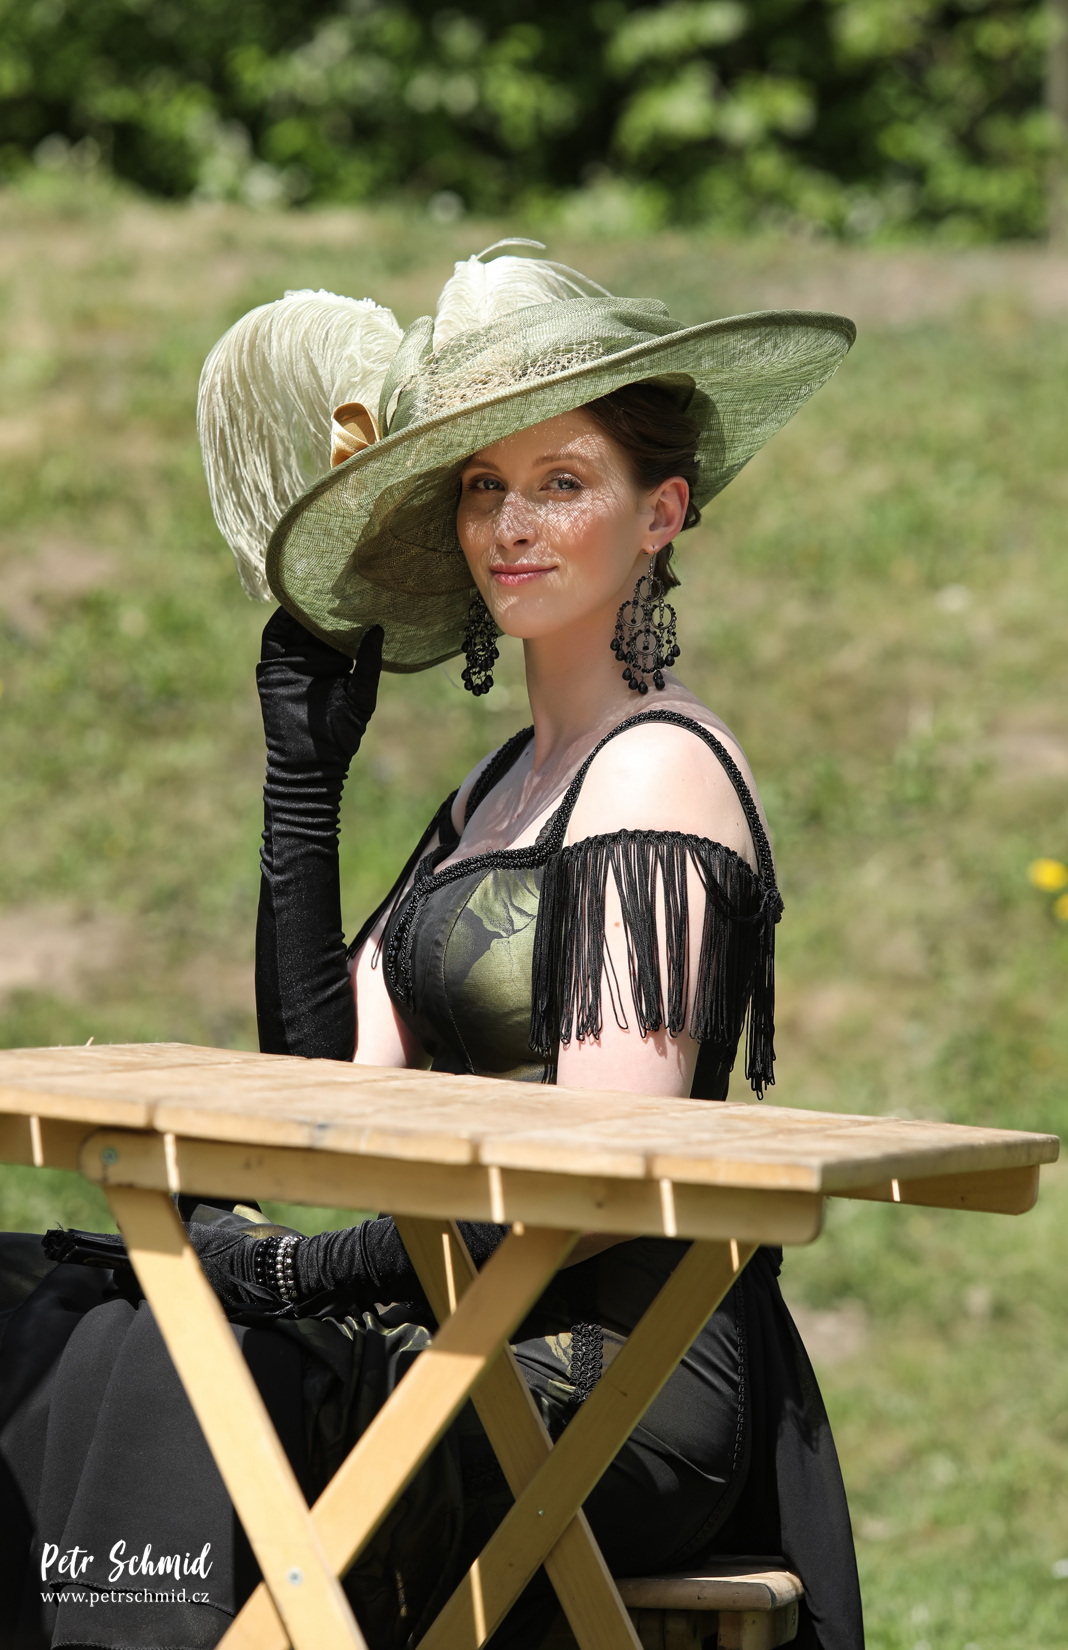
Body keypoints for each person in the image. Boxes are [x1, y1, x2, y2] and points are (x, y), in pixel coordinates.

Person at [0, 247, 861, 1650]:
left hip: (614, 1382)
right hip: (460, 1326)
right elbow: (327, 1082)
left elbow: (592, 1181)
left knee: (179, 1354)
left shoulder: (660, 773)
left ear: (662, 512)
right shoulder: (499, 785)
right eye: (481, 485)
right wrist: (303, 788)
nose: (510, 524)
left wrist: (298, 1276)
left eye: (562, 481)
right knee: (33, 1303)